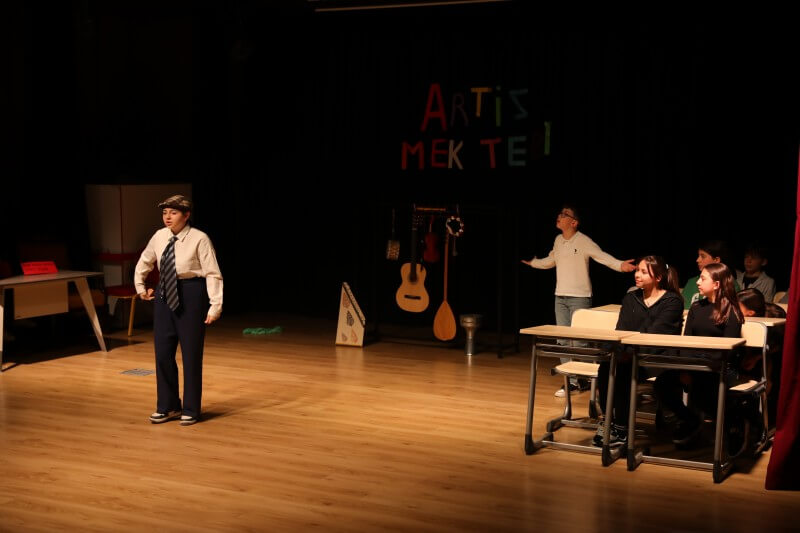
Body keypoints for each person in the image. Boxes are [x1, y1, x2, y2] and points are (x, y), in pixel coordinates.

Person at [521, 203, 636, 397]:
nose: (559, 216)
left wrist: (620, 265)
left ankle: (589, 378)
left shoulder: (583, 241)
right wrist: (534, 263)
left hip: (579, 298)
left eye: (564, 214)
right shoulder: (558, 240)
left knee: (580, 343)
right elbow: (551, 260)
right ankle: (572, 381)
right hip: (560, 297)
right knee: (562, 341)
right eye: (559, 213)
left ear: (574, 222)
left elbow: (601, 256)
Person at [134, 195, 223, 426]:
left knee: (191, 354)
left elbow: (212, 273)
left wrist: (215, 305)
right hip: (165, 292)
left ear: (186, 215)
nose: (168, 217)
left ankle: (191, 409)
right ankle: (168, 405)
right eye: (165, 213)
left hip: (191, 292)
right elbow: (145, 260)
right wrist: (140, 286)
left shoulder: (199, 238)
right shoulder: (159, 236)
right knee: (163, 353)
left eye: (173, 213)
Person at [593, 255, 684, 447]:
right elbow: (621, 330)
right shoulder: (631, 298)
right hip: (630, 356)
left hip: (658, 358)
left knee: (624, 369)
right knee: (607, 365)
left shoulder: (672, 301)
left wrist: (628, 354)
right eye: (637, 271)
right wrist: (618, 352)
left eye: (643, 272)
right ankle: (608, 421)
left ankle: (622, 428)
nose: (637, 275)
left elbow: (656, 335)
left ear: (658, 277)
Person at [655, 262, 743, 444]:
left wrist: (697, 369)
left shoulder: (731, 311)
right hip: (695, 365)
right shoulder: (696, 307)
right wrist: (686, 368)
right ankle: (689, 419)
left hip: (719, 367)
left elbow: (728, 350)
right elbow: (686, 342)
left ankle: (735, 424)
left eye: (703, 279)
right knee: (662, 383)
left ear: (716, 284)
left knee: (703, 390)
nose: (698, 282)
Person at [682, 240, 737, 310]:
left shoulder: (729, 283)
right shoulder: (692, 282)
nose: (698, 260)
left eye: (703, 256)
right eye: (698, 256)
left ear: (716, 260)